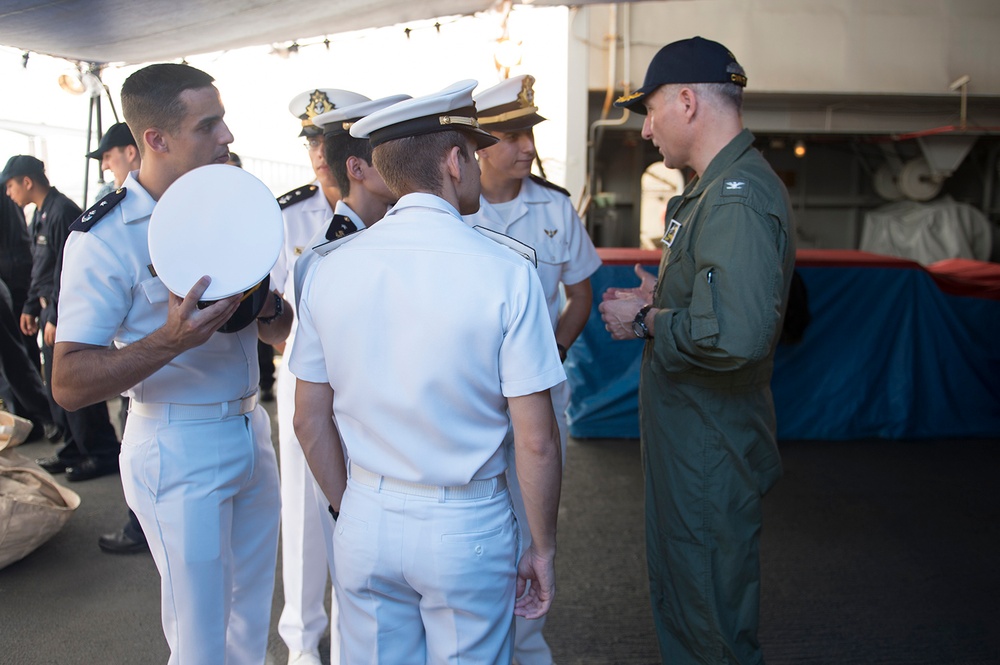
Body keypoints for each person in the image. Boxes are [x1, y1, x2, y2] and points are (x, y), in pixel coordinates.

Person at [291, 80, 564, 665]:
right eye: (471, 150)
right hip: (466, 523)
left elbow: (308, 421)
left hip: (366, 511)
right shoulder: (505, 271)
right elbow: (536, 441)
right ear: (452, 160)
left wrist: (352, 510)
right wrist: (542, 547)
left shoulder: (328, 268)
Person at [51, 62, 291, 664]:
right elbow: (69, 382)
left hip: (249, 428)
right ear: (155, 139)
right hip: (177, 443)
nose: (227, 136)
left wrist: (267, 308)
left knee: (247, 628)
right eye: (208, 125)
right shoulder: (104, 237)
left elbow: (280, 331)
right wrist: (169, 340)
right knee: (200, 641)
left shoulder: (231, 209)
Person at [598, 37, 795, 664]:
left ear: (687, 101)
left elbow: (737, 337)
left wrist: (649, 318)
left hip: (708, 448)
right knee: (691, 607)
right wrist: (670, 300)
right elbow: (725, 303)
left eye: (651, 110)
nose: (648, 128)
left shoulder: (735, 197)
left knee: (710, 624)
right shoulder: (718, 190)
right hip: (695, 443)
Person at [464, 73, 601, 665]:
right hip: (469, 400)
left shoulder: (554, 206)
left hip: (538, 399)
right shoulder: (448, 212)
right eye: (512, 135)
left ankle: (528, 646)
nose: (527, 147)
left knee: (533, 524)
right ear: (475, 145)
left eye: (530, 134)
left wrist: (551, 359)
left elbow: (582, 297)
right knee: (466, 529)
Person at [271, 87, 368, 665]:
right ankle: (303, 643)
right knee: (306, 511)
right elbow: (276, 314)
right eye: (310, 138)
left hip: (369, 386)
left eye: (327, 137)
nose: (316, 150)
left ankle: (355, 635)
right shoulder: (290, 215)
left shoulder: (386, 207)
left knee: (362, 505)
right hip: (304, 377)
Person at [2, 154, 120, 480]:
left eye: (10, 185)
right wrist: (30, 307)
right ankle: (74, 449)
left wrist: (54, 314)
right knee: (57, 390)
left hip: (64, 315)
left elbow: (67, 271)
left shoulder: (62, 211)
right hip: (46, 312)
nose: (8, 193)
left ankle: (100, 452)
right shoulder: (39, 215)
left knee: (77, 388)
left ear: (27, 182)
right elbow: (39, 269)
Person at [82, 121, 150, 554]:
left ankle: (138, 524)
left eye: (108, 156)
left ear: (131, 150)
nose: (105, 165)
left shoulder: (191, 208)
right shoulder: (106, 224)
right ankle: (138, 522)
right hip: (149, 400)